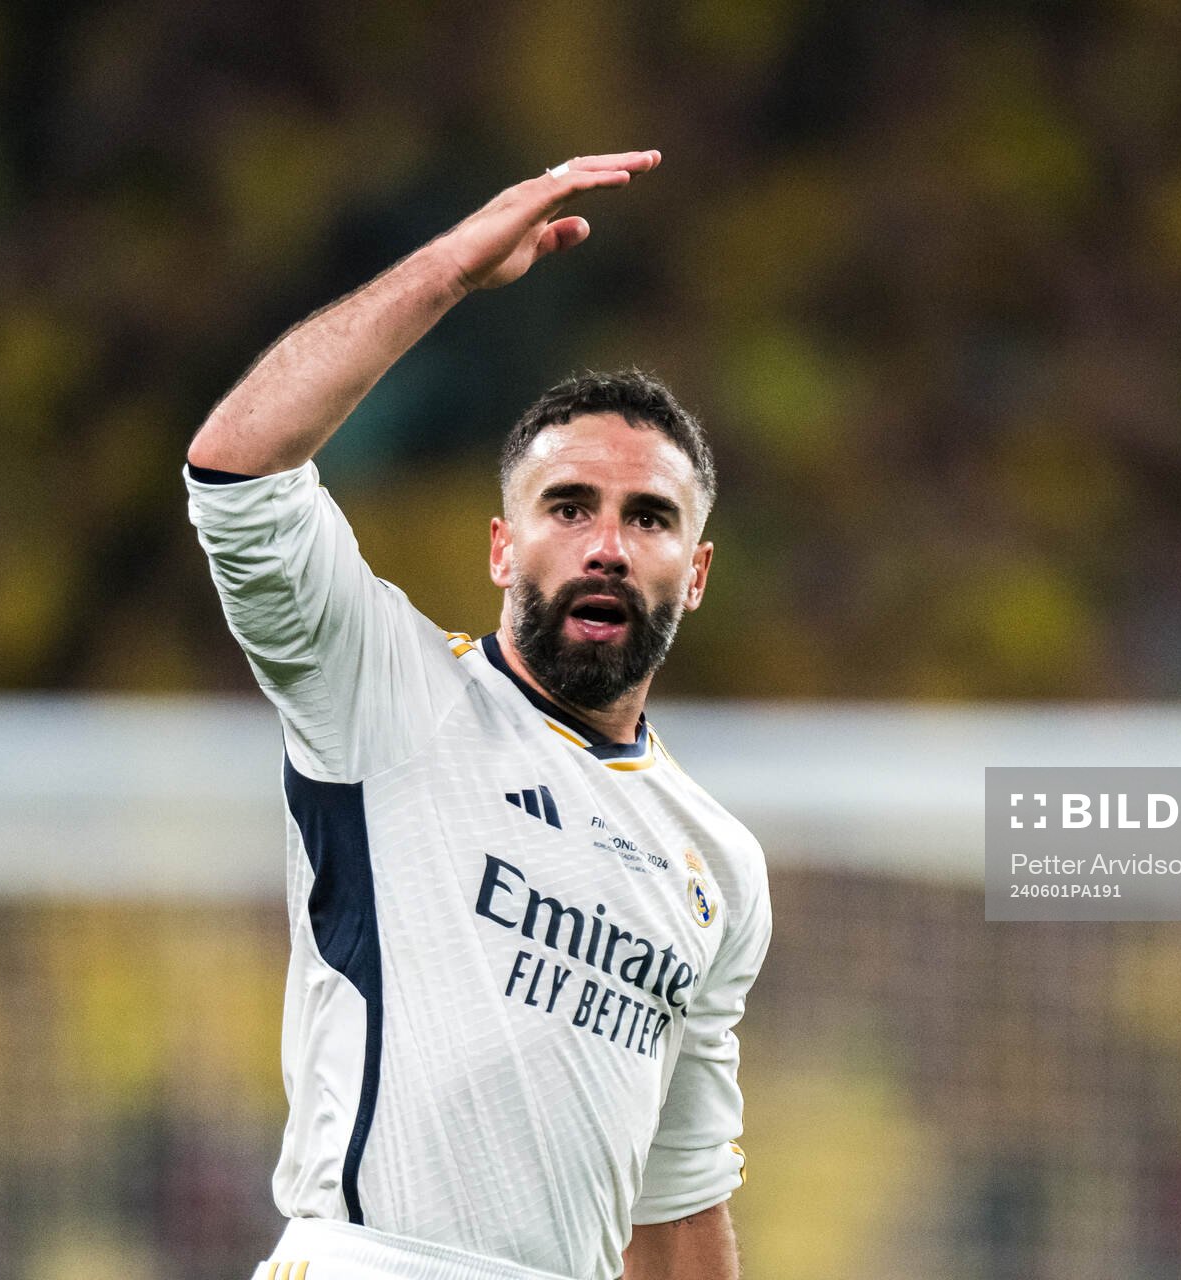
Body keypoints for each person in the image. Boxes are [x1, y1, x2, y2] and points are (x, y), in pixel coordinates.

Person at [183, 150, 769, 1280]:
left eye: (649, 517)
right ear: (505, 544)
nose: (607, 542)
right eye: (569, 505)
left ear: (693, 572)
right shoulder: (387, 692)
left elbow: (679, 1200)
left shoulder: (720, 870)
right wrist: (449, 272)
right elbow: (239, 472)